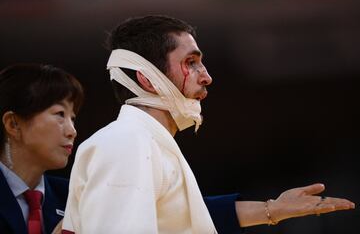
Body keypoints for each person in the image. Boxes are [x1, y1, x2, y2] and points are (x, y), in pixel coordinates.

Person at [62, 15, 355, 234]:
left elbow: (183, 218)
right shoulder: (128, 142)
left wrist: (271, 210)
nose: (206, 76)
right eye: (191, 62)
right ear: (147, 78)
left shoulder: (146, 142)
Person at [0, 63, 84, 234]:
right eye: (60, 114)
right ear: (13, 124)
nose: (72, 131)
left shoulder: (75, 197)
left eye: (72, 118)